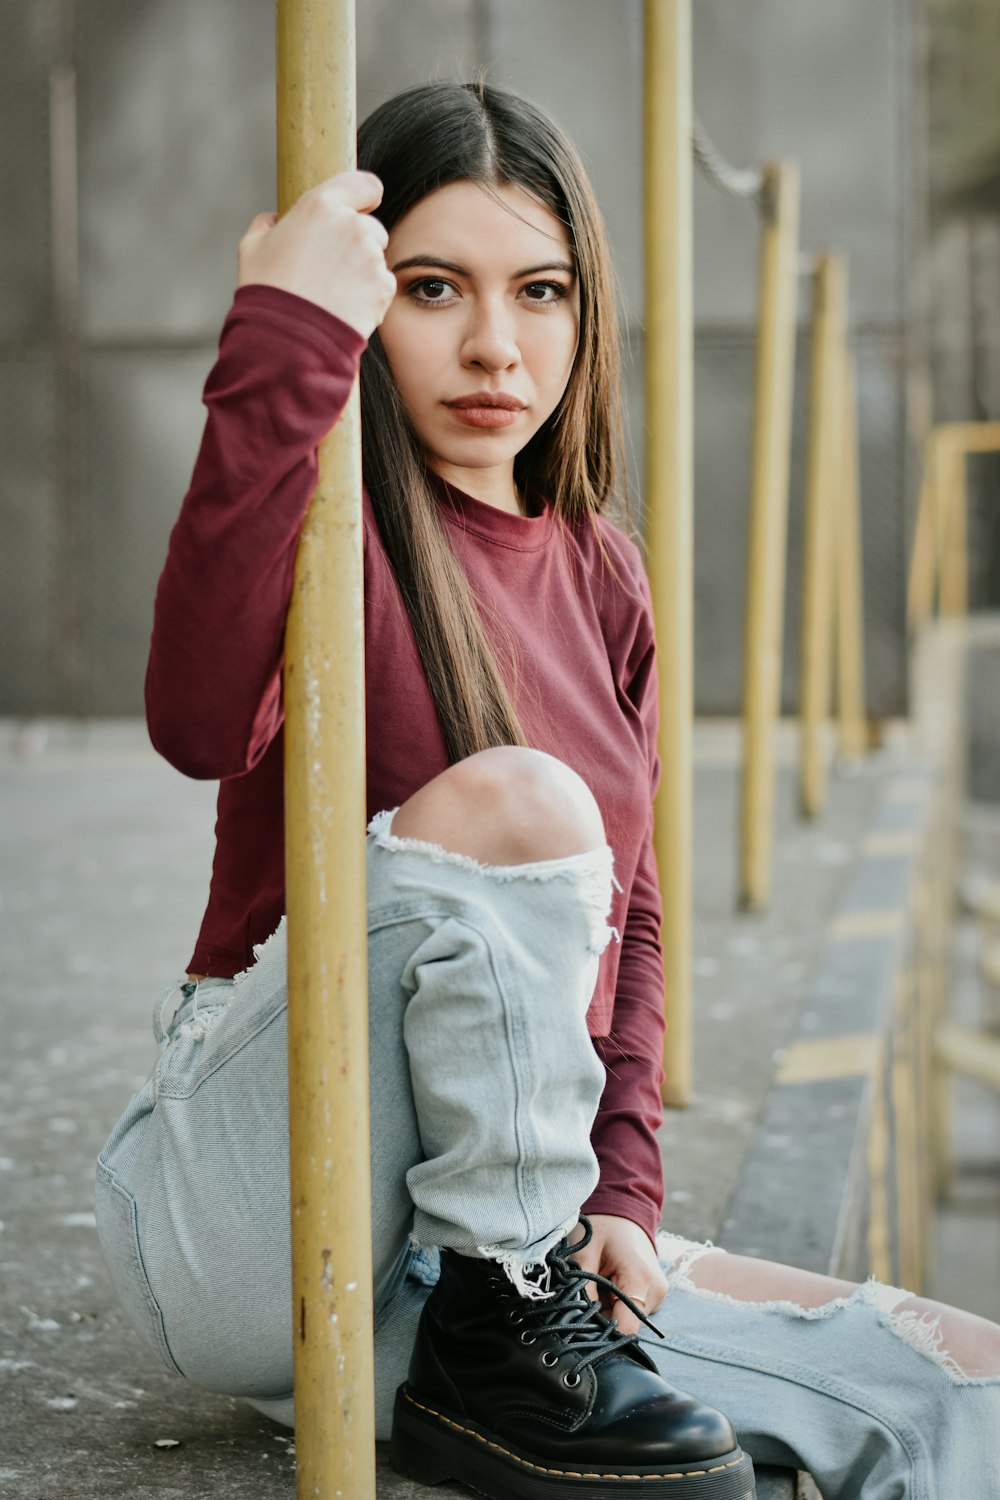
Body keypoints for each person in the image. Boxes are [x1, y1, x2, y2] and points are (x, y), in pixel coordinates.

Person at [94, 81, 1000, 1500]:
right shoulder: (325, 519)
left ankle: (504, 1312)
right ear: (365, 307)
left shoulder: (602, 574)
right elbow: (194, 720)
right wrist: (282, 340)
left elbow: (630, 922)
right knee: (523, 804)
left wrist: (627, 1194)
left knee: (967, 1384)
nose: (495, 346)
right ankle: (505, 1310)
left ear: (589, 319)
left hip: (475, 1260)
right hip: (256, 1212)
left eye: (542, 292)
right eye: (432, 289)